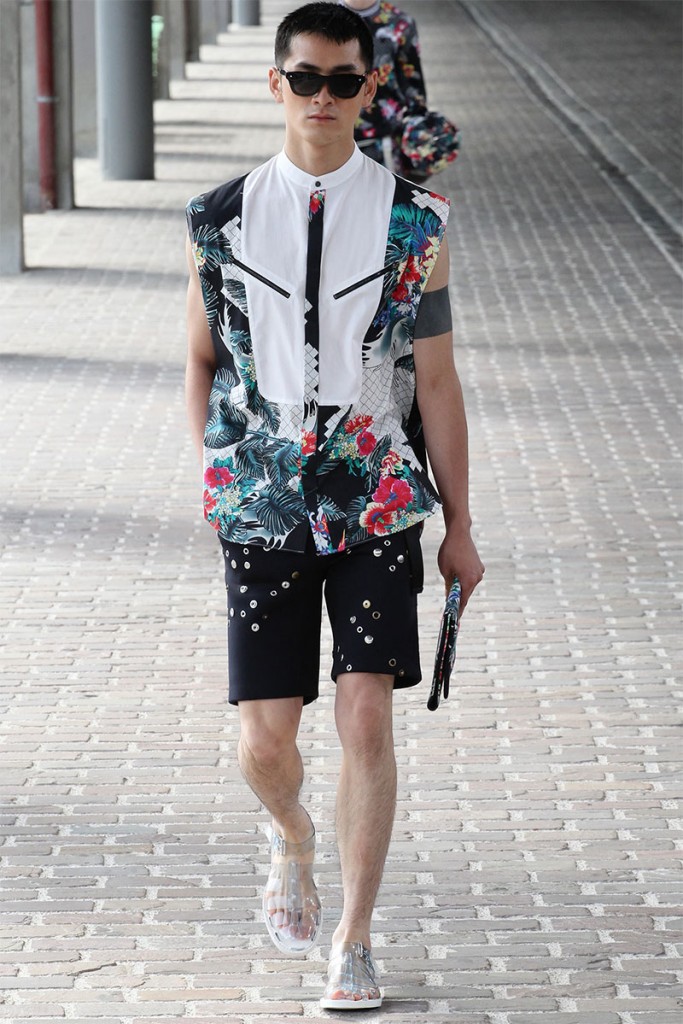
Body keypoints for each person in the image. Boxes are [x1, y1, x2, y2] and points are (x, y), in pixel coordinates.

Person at [184, 1, 483, 1010]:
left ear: (369, 88)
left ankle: (353, 939)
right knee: (265, 741)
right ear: (275, 84)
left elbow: (434, 380)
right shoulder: (217, 217)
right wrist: (217, 474)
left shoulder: (416, 222)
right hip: (261, 505)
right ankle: (292, 835)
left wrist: (462, 526)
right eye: (304, 78)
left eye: (342, 80)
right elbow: (201, 358)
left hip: (376, 502)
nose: (322, 96)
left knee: (364, 718)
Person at [341, 0, 459, 181]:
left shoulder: (400, 24)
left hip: (385, 143)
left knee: (384, 197)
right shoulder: (321, 22)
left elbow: (413, 87)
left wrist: (418, 134)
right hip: (333, 138)